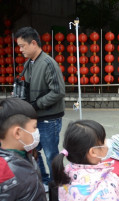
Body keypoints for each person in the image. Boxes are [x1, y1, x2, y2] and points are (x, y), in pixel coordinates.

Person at [15, 26, 65, 190]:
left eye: (22, 46)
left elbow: (58, 91)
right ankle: (43, 180)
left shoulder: (48, 63)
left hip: (49, 118)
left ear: (33, 43)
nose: (20, 49)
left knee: (51, 154)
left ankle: (55, 186)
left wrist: (36, 104)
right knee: (32, 152)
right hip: (34, 118)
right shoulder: (29, 63)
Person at [52, 120, 119, 200]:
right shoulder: (103, 186)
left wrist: (118, 193)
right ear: (93, 152)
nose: (107, 142)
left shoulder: (66, 171)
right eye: (103, 141)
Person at [0, 98, 47, 200]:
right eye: (34, 127)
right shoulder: (4, 172)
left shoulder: (26, 152)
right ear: (18, 133)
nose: (36, 132)